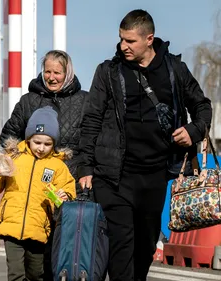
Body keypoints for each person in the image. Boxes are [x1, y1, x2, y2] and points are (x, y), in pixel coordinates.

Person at [77, 9, 212, 281]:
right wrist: (84, 166)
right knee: (121, 246)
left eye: (130, 41)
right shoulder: (108, 72)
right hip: (114, 176)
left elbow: (202, 106)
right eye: (121, 40)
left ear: (149, 39)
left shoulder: (175, 70)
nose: (123, 46)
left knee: (145, 246)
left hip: (155, 175)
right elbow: (91, 119)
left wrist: (193, 130)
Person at [0, 107, 76, 281]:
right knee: (16, 273)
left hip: (39, 227)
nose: (41, 148)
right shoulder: (13, 157)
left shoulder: (57, 165)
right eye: (37, 142)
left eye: (47, 144)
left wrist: (65, 196)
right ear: (28, 138)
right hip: (12, 224)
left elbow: (68, 188)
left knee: (35, 274)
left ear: (54, 143)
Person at [0, 50, 87, 180]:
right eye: (47, 72)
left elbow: (92, 143)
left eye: (57, 73)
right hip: (31, 181)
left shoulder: (85, 101)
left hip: (72, 181)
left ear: (67, 73)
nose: (51, 78)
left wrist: (87, 171)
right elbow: (8, 138)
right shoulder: (28, 101)